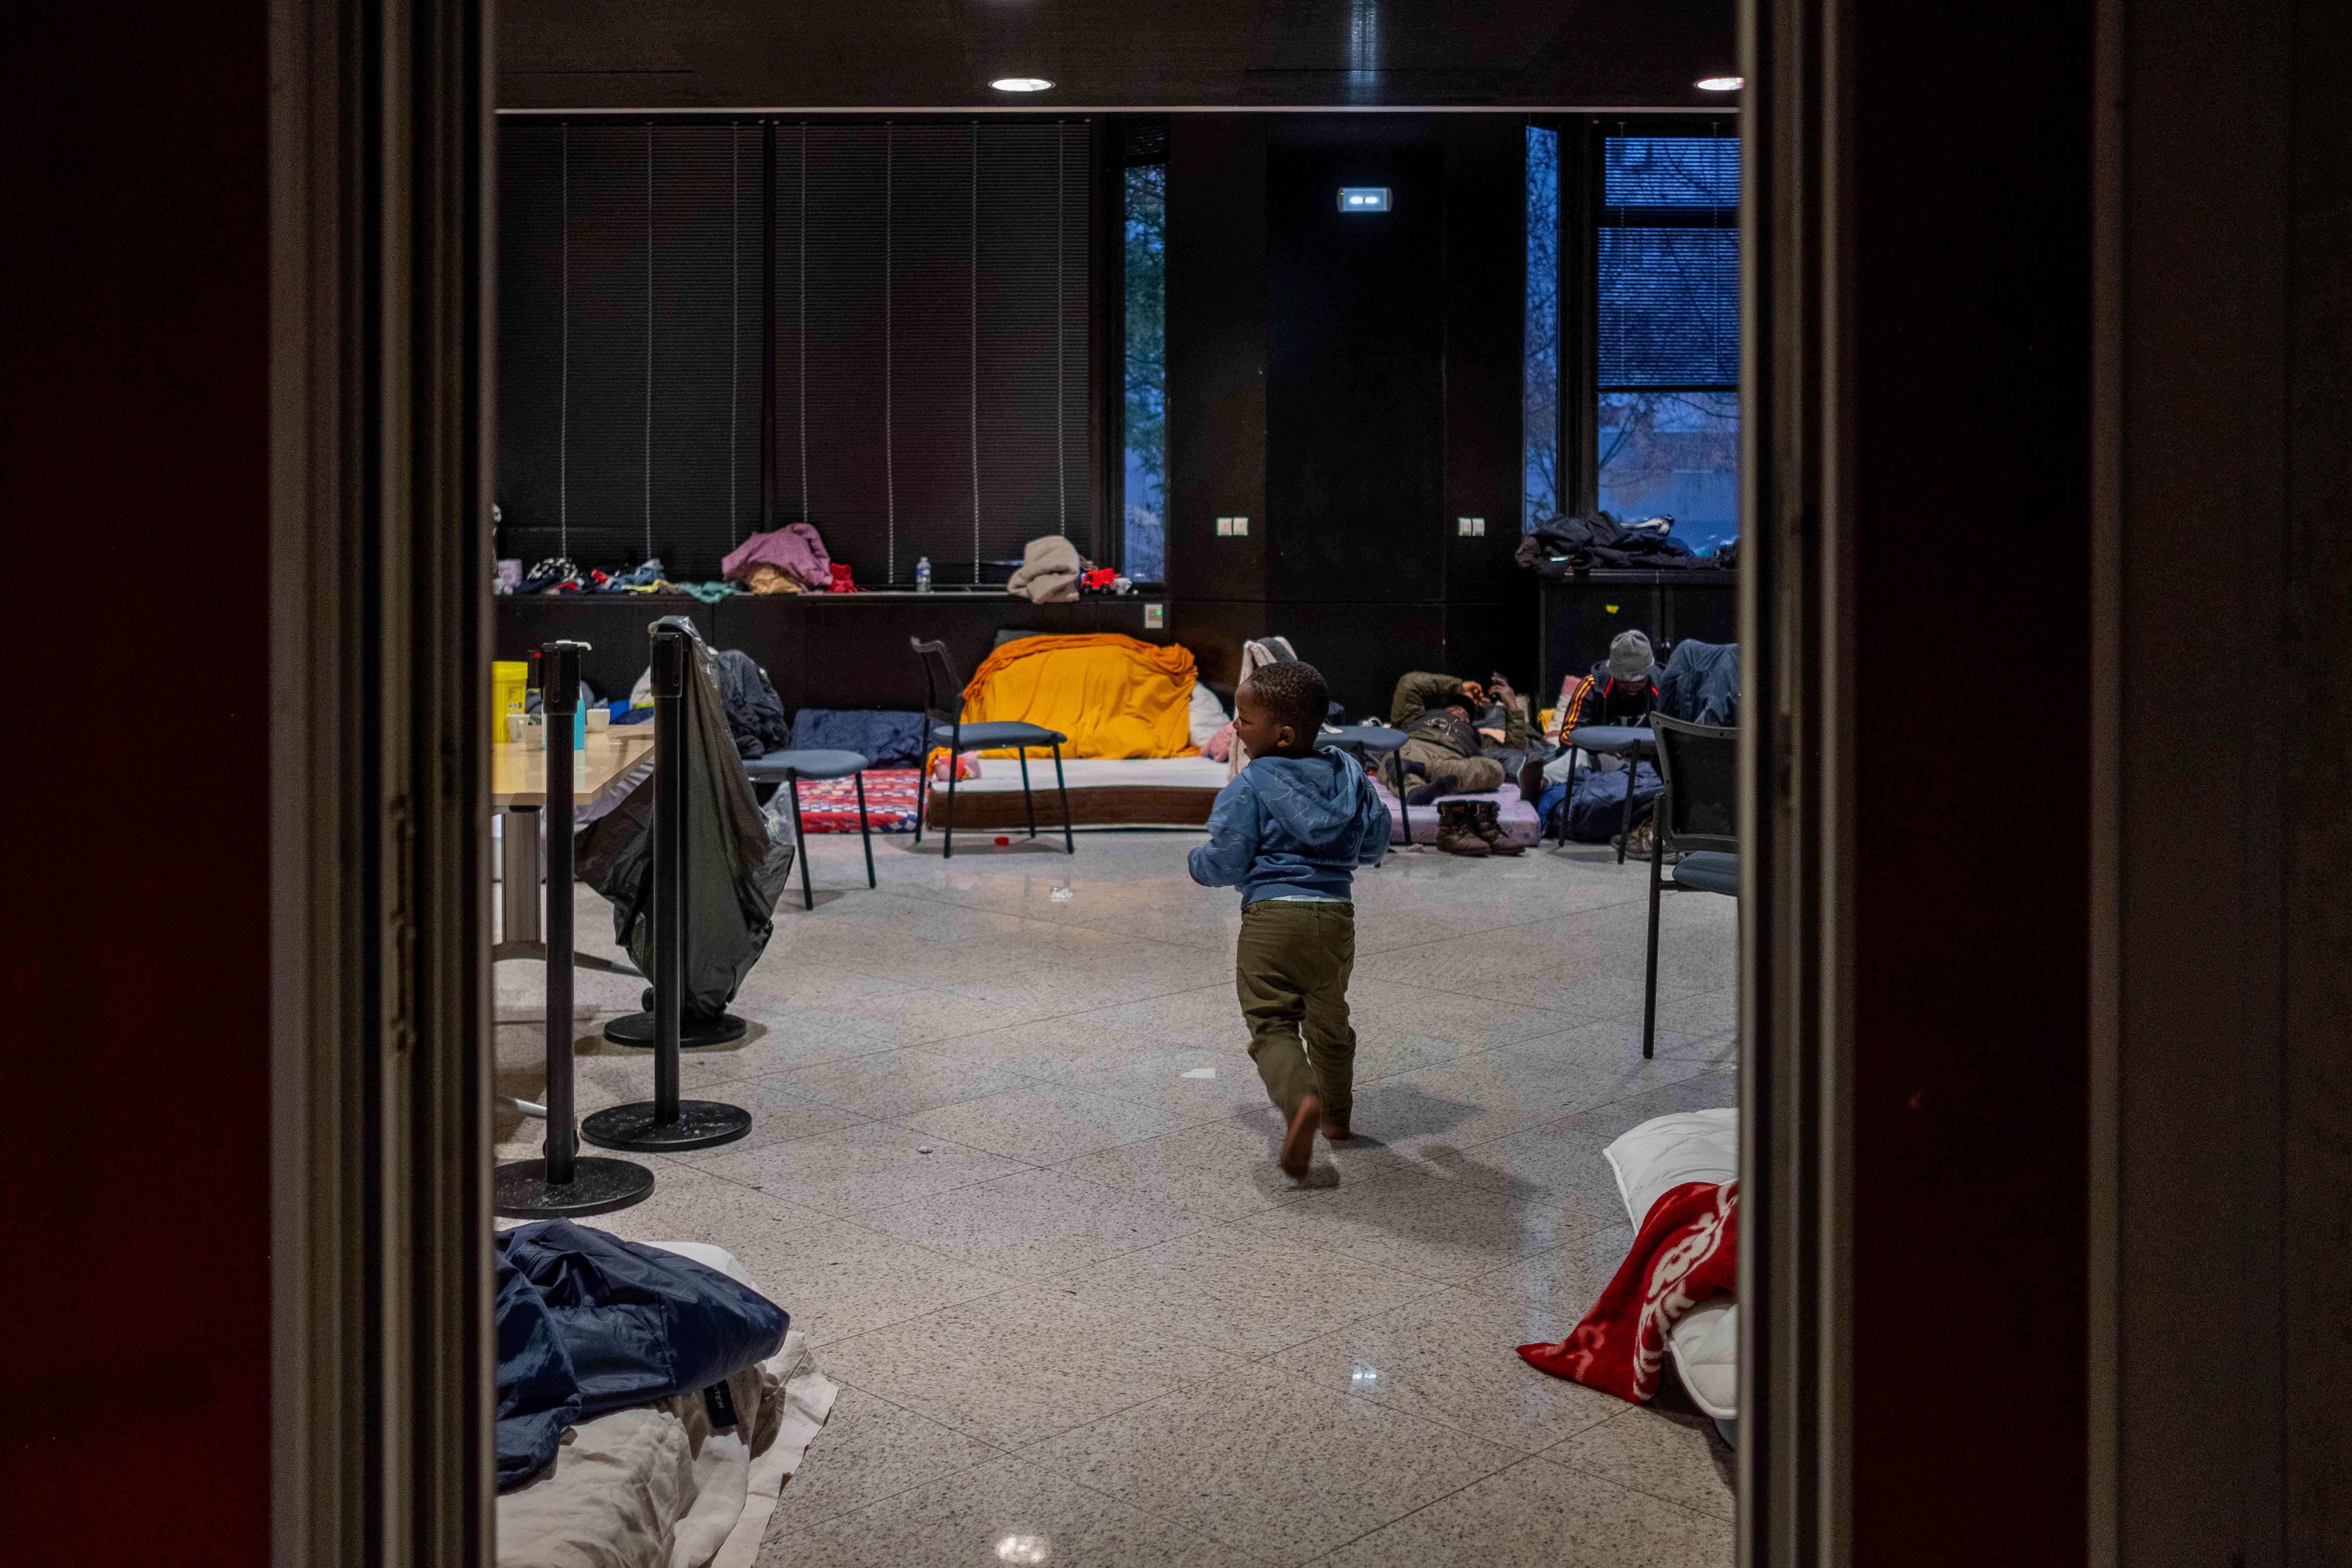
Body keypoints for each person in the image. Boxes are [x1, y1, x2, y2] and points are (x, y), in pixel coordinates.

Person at [1188, 659, 1392, 1178]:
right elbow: (1375, 841)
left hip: (1272, 920)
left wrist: (1198, 866)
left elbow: (1227, 859)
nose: (1235, 726)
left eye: (1244, 718)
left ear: (1280, 736)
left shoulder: (1251, 785)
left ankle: (1301, 1100)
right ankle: (1337, 1120)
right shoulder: (1350, 775)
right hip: (1336, 918)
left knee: (1273, 1021)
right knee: (1329, 1018)